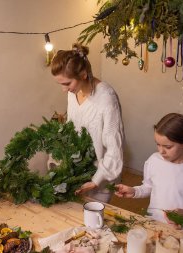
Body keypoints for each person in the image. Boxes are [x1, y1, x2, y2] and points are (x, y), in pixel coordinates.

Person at [115, 113, 183, 232]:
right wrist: (135, 191)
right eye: (158, 144)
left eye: (168, 147)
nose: (161, 151)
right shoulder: (154, 160)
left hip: (182, 231)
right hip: (153, 225)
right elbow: (149, 187)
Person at [50, 43, 124, 203]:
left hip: (99, 175)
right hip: (77, 170)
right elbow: (72, 128)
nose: (64, 89)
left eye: (67, 83)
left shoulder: (106, 97)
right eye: (60, 84)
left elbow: (114, 146)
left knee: (94, 222)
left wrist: (97, 180)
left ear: (83, 74)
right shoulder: (73, 93)